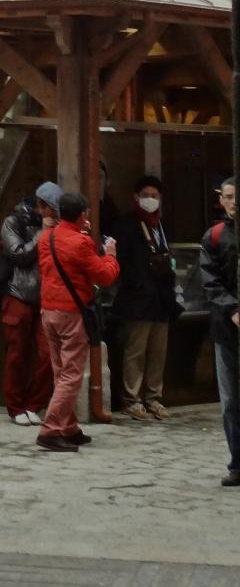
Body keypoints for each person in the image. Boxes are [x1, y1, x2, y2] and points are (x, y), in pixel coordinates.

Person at [36, 192, 119, 452]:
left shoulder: (46, 237)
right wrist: (111, 255)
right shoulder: (81, 242)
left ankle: (68, 426)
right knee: (71, 375)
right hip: (71, 312)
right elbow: (104, 276)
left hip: (48, 310)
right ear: (82, 214)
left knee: (60, 372)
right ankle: (51, 429)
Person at [113, 175, 178, 421]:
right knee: (135, 351)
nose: (150, 199)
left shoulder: (161, 225)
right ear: (136, 197)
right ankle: (132, 398)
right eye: (146, 195)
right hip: (137, 299)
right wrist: (136, 282)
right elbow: (120, 260)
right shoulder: (127, 224)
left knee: (158, 352)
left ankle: (154, 397)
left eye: (154, 196)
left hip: (161, 299)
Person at [0, 181, 60, 425]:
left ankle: (35, 404)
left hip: (47, 297)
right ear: (41, 206)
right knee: (17, 354)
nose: (54, 215)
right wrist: (42, 234)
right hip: (19, 294)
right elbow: (19, 254)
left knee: (49, 353)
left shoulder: (57, 225)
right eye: (51, 209)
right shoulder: (12, 222)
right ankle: (15, 407)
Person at [199, 176, 239, 486]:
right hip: (227, 330)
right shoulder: (214, 236)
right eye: (228, 196)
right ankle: (237, 463)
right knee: (231, 402)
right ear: (221, 200)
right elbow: (210, 281)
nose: (234, 202)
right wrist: (233, 309)